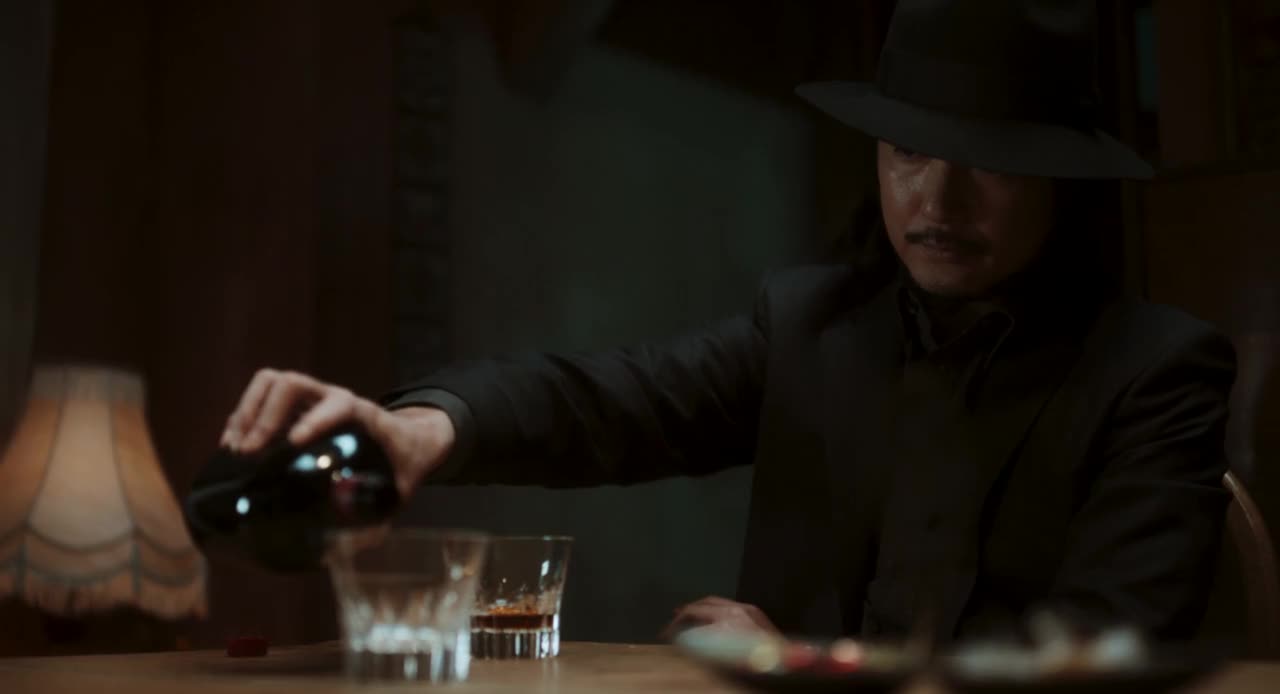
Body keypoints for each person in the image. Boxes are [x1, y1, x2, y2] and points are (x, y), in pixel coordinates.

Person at [220, 0, 1235, 644]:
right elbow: (610, 400)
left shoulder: (1157, 369)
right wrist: (417, 430)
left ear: (1059, 176)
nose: (937, 198)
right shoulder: (813, 325)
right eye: (908, 151)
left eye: (988, 161)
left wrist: (803, 667)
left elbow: (1109, 648)